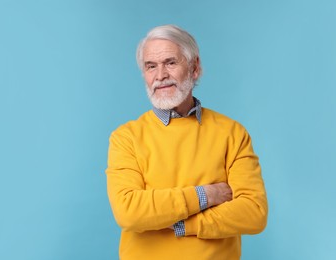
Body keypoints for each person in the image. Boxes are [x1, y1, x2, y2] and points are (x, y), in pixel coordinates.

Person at [105, 24, 268, 260]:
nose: (160, 75)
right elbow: (129, 211)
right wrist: (207, 195)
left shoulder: (232, 133)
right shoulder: (126, 138)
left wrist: (182, 225)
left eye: (170, 63)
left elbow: (254, 212)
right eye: (151, 66)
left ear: (195, 68)